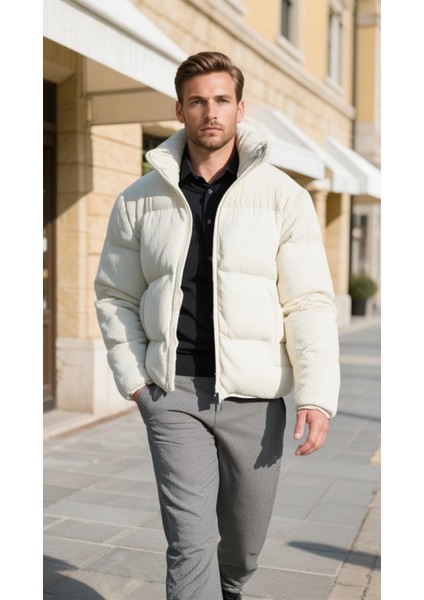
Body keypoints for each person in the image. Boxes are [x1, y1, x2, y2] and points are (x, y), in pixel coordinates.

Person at [94, 51, 340, 600]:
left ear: (240, 109)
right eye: (198, 101)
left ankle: (230, 589)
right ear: (179, 109)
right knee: (189, 543)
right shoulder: (138, 200)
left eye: (222, 100)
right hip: (173, 392)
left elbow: (308, 302)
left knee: (244, 546)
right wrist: (136, 380)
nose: (211, 112)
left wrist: (316, 395)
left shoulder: (284, 197)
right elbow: (115, 294)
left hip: (256, 399)